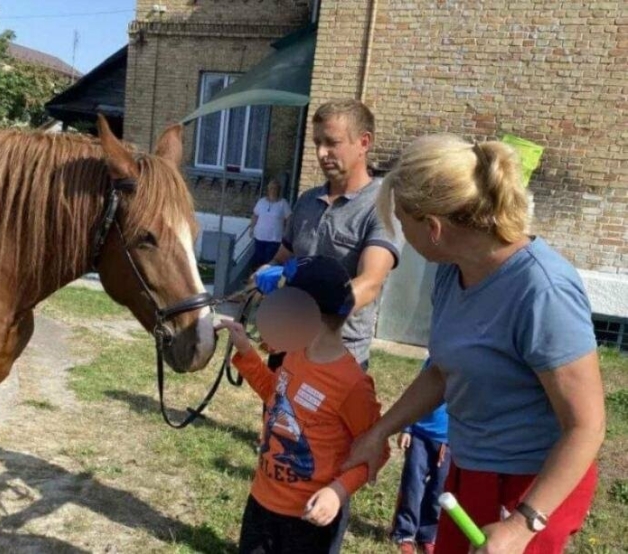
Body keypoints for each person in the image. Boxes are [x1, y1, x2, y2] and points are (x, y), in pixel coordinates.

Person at [342, 134, 605, 554]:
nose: (402, 239)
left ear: (433, 227)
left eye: (403, 224)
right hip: (469, 469)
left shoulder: (542, 290)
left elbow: (586, 426)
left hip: (531, 488)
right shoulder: (453, 271)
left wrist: (523, 524)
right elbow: (444, 370)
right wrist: (380, 432)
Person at [217, 256, 388, 554]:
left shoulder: (352, 385)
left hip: (308, 520)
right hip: (262, 504)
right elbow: (276, 395)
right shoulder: (295, 354)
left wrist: (338, 492)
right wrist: (246, 352)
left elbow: (377, 450)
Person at [259, 99, 402, 370]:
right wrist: (266, 275)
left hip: (337, 357)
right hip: (288, 347)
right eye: (317, 143)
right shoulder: (307, 201)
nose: (322, 153)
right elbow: (282, 259)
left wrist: (305, 318)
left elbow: (370, 283)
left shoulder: (381, 206)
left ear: (364, 142)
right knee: (277, 413)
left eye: (332, 142)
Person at [391, 356, 449, 554]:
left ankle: (427, 534)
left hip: (448, 443)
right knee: (412, 486)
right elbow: (415, 395)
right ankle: (405, 533)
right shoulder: (435, 360)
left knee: (438, 491)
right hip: (420, 436)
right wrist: (407, 429)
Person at [250, 179, 291, 269]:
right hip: (260, 237)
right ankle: (257, 280)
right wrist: (251, 228)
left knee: (269, 261)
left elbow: (289, 219)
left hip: (274, 239)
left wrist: (286, 232)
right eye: (271, 188)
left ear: (278, 190)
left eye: (275, 188)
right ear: (268, 189)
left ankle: (266, 280)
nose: (273, 190)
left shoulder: (283, 203)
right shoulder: (261, 202)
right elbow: (255, 215)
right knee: (258, 260)